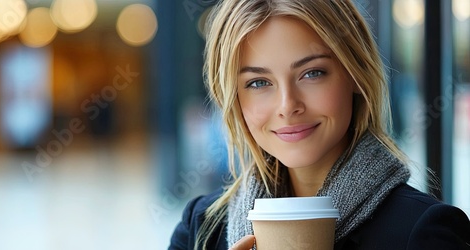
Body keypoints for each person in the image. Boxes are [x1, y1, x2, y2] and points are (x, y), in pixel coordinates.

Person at [169, 0, 470, 249]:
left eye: (312, 73)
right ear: (235, 98)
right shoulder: (200, 229)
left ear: (355, 73)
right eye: (259, 82)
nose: (288, 106)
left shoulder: (424, 232)